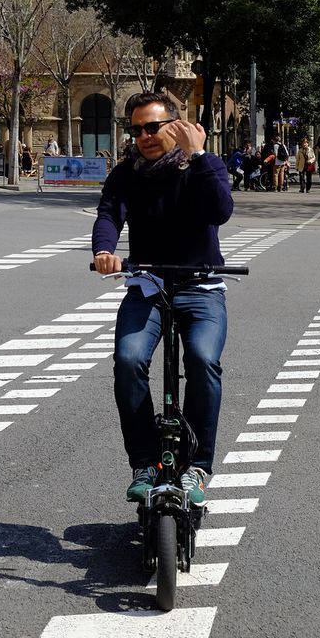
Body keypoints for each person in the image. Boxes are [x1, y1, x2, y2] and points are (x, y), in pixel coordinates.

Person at [92, 90, 233, 508]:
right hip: (149, 286)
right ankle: (145, 463)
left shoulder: (204, 167)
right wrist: (104, 251)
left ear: (176, 125)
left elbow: (220, 210)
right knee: (129, 358)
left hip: (201, 287)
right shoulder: (126, 174)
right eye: (136, 130)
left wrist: (201, 156)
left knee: (203, 360)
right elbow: (108, 215)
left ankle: (198, 467)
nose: (145, 137)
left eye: (153, 127)